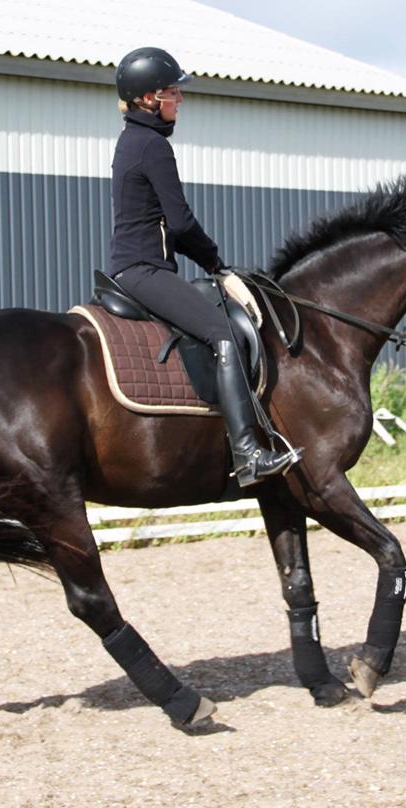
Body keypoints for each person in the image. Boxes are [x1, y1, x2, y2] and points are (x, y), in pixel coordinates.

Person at [107, 46, 300, 487]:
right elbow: (180, 222)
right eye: (174, 91)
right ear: (148, 99)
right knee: (225, 335)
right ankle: (248, 453)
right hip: (144, 270)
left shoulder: (133, 140)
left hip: (137, 266)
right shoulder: (152, 146)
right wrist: (219, 266)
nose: (181, 99)